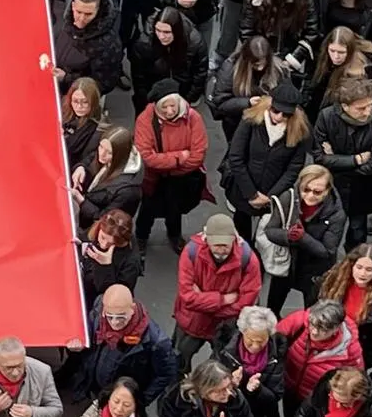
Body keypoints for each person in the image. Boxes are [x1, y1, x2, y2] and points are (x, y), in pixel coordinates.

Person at [222, 81, 312, 240]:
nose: (279, 117)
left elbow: (294, 168)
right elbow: (236, 157)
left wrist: (270, 196)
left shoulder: (300, 130)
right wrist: (251, 194)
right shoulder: (250, 120)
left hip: (274, 192)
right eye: (276, 111)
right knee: (242, 231)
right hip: (244, 188)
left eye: (286, 114)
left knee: (267, 237)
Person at [173, 213, 263, 365]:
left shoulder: (248, 260)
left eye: (225, 245)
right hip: (194, 323)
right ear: (207, 240)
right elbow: (187, 297)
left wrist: (203, 301)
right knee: (178, 362)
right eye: (216, 245)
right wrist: (223, 300)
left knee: (220, 368)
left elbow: (245, 303)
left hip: (221, 325)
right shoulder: (190, 252)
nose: (221, 250)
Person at [133, 80, 209, 251]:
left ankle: (174, 236)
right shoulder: (145, 120)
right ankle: (141, 237)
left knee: (175, 210)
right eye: (164, 107)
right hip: (155, 179)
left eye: (172, 106)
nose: (169, 111)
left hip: (179, 179)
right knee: (147, 210)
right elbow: (146, 157)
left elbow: (198, 156)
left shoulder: (193, 118)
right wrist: (179, 158)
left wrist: (165, 164)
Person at [314, 75, 372, 248]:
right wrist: (357, 159)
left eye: (370, 105)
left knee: (357, 234)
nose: (367, 112)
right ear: (344, 106)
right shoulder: (326, 117)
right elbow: (319, 157)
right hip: (331, 187)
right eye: (361, 108)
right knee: (323, 236)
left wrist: (334, 160)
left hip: (361, 190)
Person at [79, 283, 179, 403]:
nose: (114, 323)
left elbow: (165, 375)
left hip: (123, 399)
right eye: (110, 316)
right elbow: (89, 331)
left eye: (121, 317)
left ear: (132, 309)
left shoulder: (156, 341)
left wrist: (139, 401)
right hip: (96, 387)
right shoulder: (99, 309)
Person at [277, 297, 365, 415]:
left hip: (314, 401)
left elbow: (355, 381)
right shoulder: (300, 321)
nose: (314, 332)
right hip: (288, 387)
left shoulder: (350, 350)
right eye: (312, 325)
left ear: (336, 329)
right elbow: (272, 338)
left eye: (322, 329)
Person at [319, 245, 372, 366]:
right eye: (359, 267)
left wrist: (361, 363)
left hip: (356, 356)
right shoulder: (332, 282)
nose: (362, 273)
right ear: (351, 265)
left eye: (369, 269)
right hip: (325, 345)